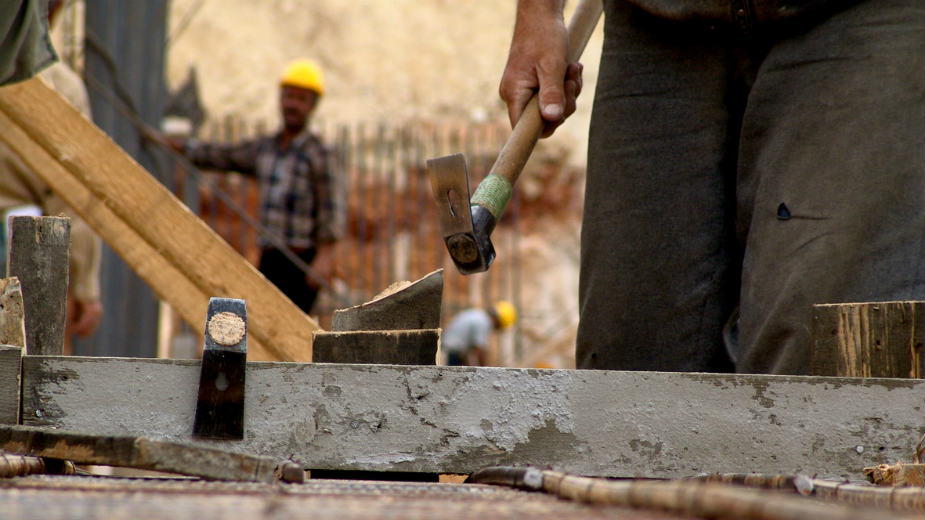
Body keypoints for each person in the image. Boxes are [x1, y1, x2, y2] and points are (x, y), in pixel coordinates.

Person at [499, 1, 924, 375]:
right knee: (630, 367)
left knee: (824, 350)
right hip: (653, 21)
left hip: (862, 17)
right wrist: (538, 12)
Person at [168, 59, 344, 314]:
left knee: (293, 324)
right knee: (264, 321)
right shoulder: (266, 148)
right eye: (289, 97)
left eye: (301, 99)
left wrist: (324, 258)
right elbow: (226, 155)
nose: (293, 105)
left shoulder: (319, 153)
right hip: (270, 257)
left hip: (301, 261)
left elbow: (331, 208)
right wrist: (185, 148)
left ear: (312, 106)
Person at [0, 0, 104, 352]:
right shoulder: (59, 86)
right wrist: (84, 286)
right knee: (27, 371)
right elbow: (71, 194)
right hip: (21, 254)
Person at [442, 301, 517, 366]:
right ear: (499, 321)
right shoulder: (484, 322)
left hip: (451, 350)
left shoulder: (479, 315)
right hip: (451, 353)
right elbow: (479, 350)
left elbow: (470, 352)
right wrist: (485, 371)